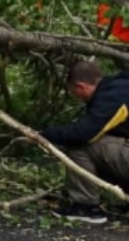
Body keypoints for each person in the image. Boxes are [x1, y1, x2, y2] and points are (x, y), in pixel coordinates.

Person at [41, 60, 129, 223]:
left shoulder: (112, 97)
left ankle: (85, 206)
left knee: (80, 146)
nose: (78, 99)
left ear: (81, 86)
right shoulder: (121, 86)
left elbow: (84, 133)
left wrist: (45, 134)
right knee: (109, 145)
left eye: (75, 94)